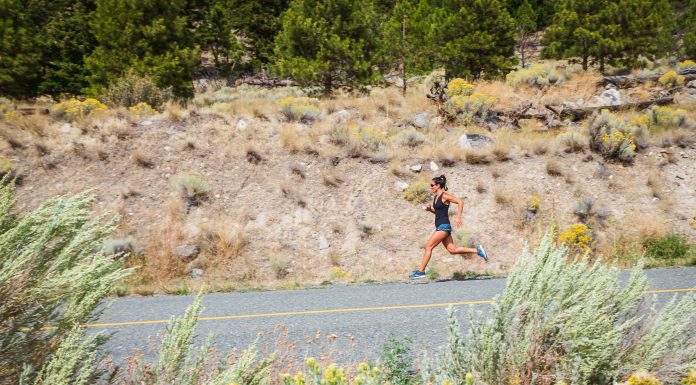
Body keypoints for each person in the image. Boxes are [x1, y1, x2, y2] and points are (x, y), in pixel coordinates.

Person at [409, 175, 488, 279]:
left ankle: (421, 271)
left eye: (432, 185)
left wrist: (459, 217)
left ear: (438, 185)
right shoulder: (436, 197)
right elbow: (438, 213)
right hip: (441, 226)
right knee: (453, 250)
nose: (431, 187)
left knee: (428, 247)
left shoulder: (445, 196)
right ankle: (478, 250)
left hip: (443, 227)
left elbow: (460, 202)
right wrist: (430, 210)